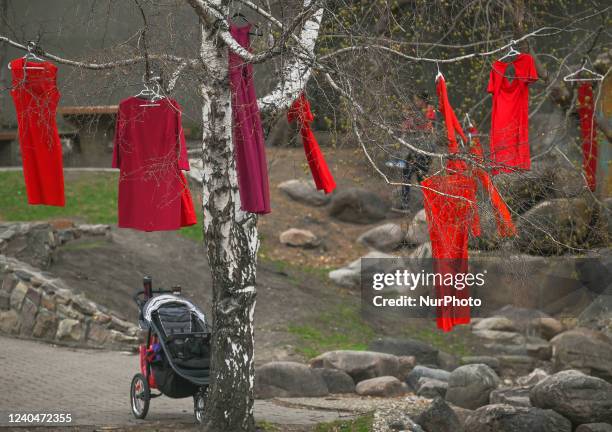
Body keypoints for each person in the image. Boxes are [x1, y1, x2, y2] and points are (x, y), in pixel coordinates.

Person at [397, 92, 436, 210]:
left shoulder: (430, 111)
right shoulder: (417, 112)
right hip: (415, 150)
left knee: (421, 177)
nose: (415, 103)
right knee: (407, 174)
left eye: (417, 100)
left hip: (424, 150)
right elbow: (407, 126)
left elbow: (426, 127)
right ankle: (406, 204)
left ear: (423, 100)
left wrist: (410, 122)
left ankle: (430, 204)